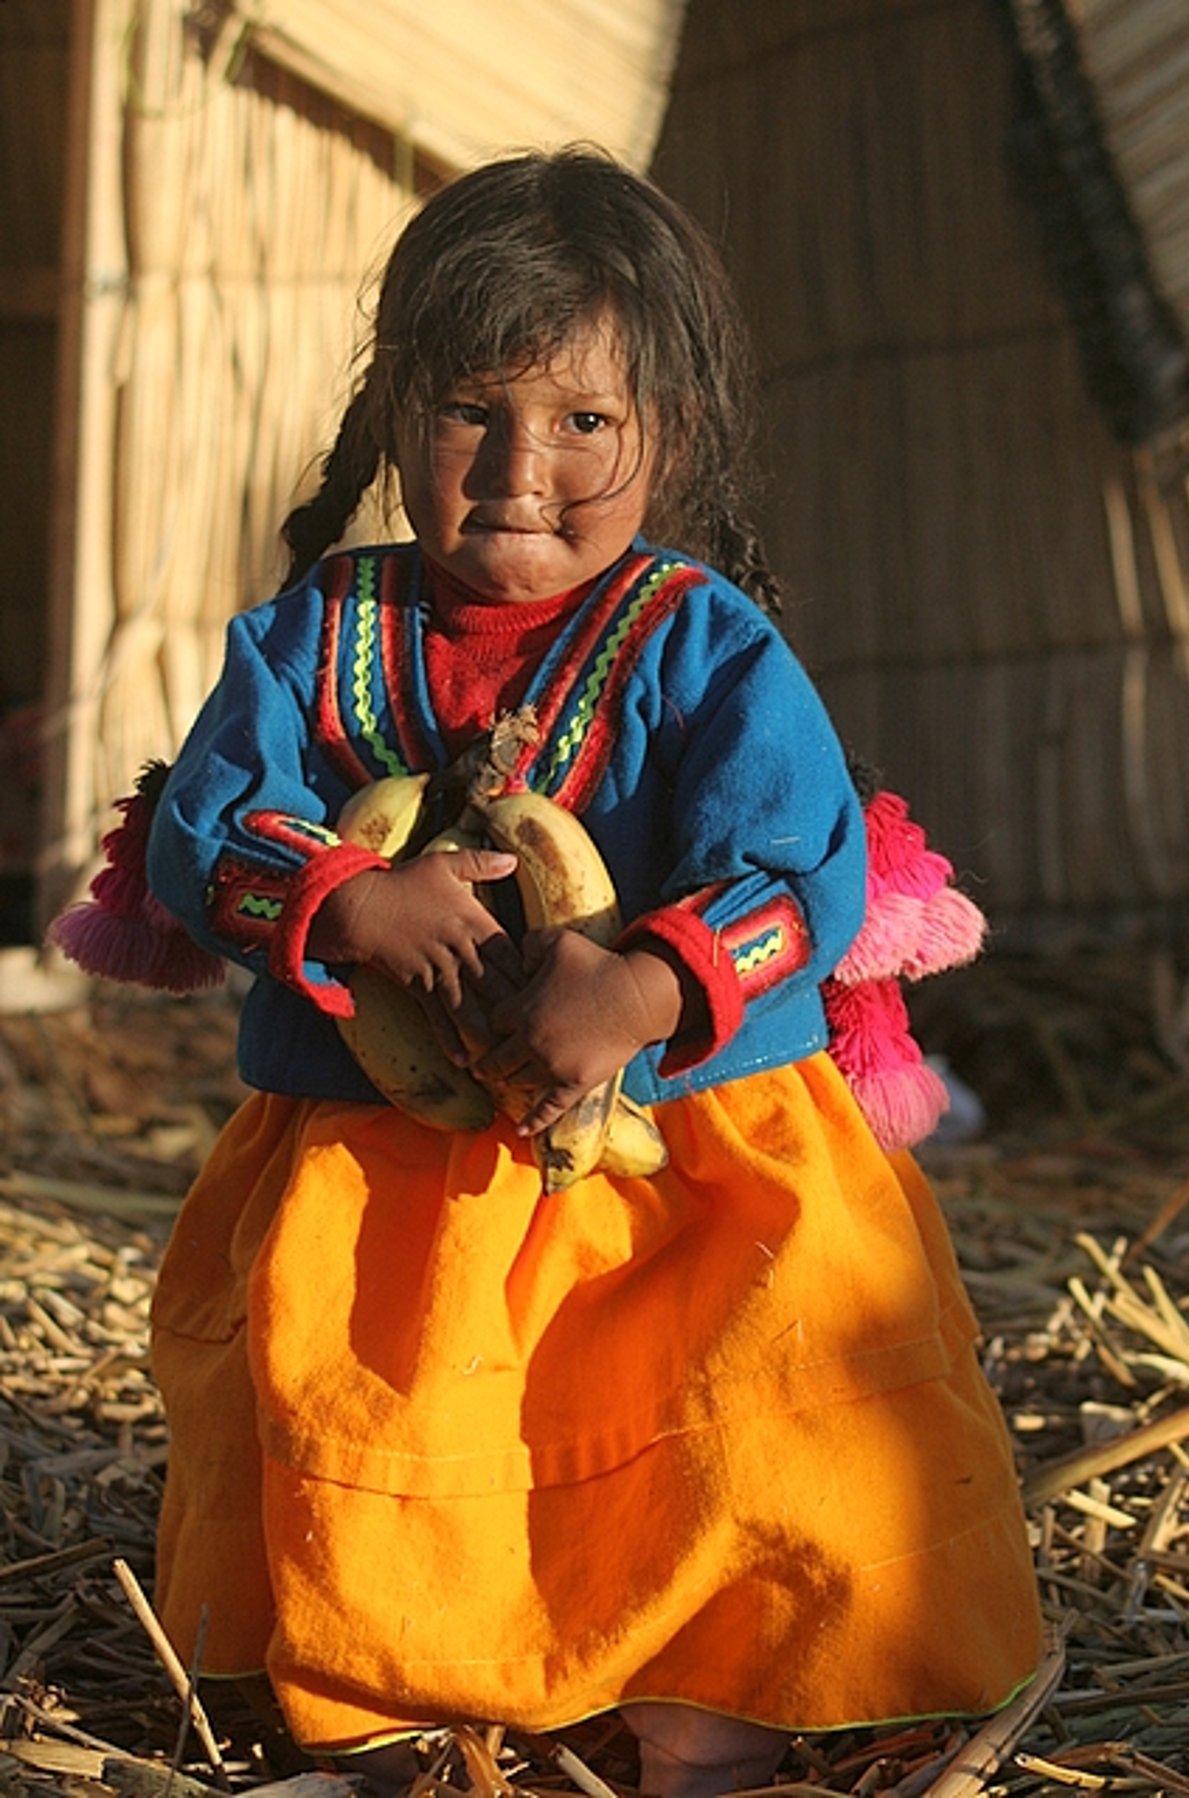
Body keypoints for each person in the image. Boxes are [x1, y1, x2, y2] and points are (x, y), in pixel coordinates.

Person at [90, 149, 1042, 1795]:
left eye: (586, 423)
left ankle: (725, 1683)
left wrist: (640, 987)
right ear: (393, 413)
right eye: (472, 411)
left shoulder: (704, 643)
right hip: (392, 1179)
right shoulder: (312, 639)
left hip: (683, 1154)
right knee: (391, 1421)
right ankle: (396, 1691)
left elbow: (795, 866)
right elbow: (205, 827)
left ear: (668, 434)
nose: (523, 470)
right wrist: (345, 901)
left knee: (749, 1400)